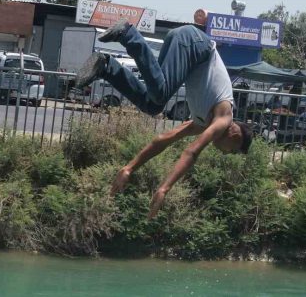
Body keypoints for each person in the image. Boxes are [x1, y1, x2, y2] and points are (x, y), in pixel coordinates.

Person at [75, 19, 253, 218]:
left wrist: (129, 168)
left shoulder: (202, 123)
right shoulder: (223, 118)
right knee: (160, 95)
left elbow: (164, 140)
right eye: (230, 152)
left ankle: (106, 67)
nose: (224, 152)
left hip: (186, 45)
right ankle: (128, 34)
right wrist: (164, 189)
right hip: (194, 43)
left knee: (153, 105)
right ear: (235, 136)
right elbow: (192, 152)